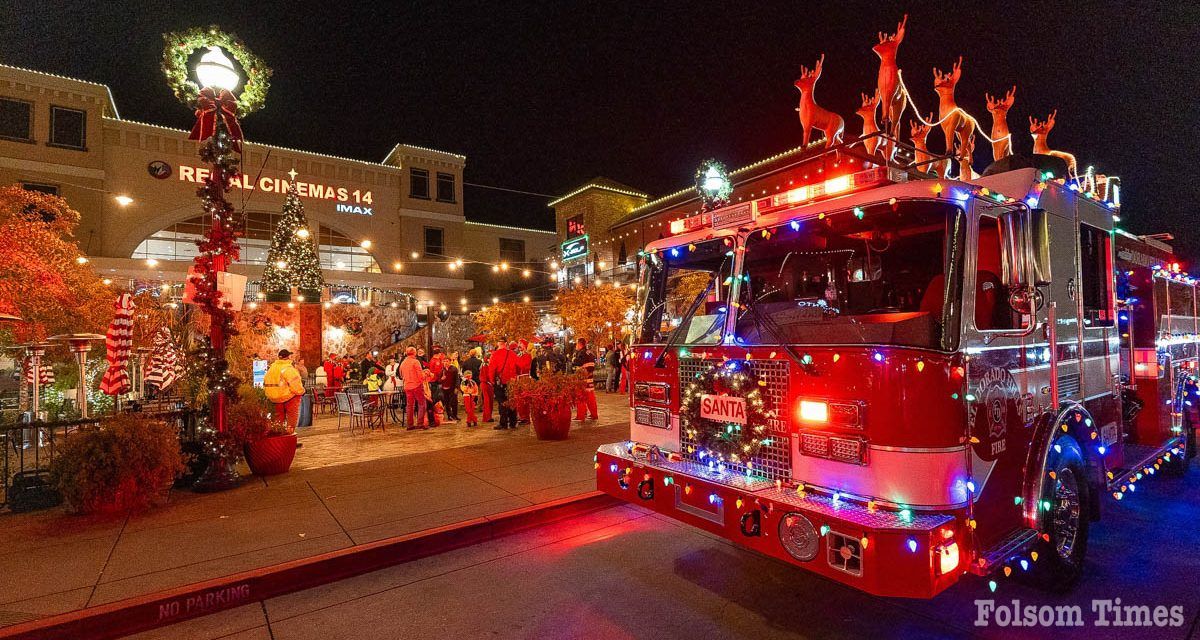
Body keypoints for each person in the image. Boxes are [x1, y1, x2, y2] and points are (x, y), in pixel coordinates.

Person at [263, 349, 306, 431]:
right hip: (288, 397)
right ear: (288, 357)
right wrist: (302, 391)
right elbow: (295, 384)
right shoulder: (288, 368)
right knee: (291, 418)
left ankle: (280, 436)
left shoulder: (272, 368)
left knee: (279, 420)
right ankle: (290, 437)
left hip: (274, 398)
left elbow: (265, 381)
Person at [489, 340, 519, 429]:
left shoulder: (495, 354)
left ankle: (503, 423)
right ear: (506, 344)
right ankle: (513, 421)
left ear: (498, 344)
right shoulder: (512, 354)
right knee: (512, 401)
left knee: (502, 402)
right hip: (512, 381)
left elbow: (492, 369)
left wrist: (492, 380)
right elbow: (518, 366)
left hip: (501, 381)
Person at [400, 347, 427, 429]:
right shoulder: (415, 362)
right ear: (414, 353)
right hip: (416, 385)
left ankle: (410, 424)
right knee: (422, 404)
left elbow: (401, 375)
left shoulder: (403, 363)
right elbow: (420, 375)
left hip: (407, 386)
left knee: (410, 405)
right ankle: (420, 423)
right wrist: (426, 375)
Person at [572, 338, 598, 421]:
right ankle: (594, 414)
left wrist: (573, 359)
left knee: (580, 397)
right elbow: (593, 364)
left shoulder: (581, 353)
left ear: (580, 344)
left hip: (582, 377)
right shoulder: (590, 352)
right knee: (590, 397)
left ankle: (581, 415)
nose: (576, 346)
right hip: (590, 377)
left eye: (577, 344)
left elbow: (577, 362)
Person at [515, 340, 532, 424]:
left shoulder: (527, 355)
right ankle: (521, 416)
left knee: (524, 398)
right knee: (519, 398)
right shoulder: (519, 355)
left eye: (520, 344)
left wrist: (516, 360)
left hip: (524, 377)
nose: (519, 346)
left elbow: (524, 366)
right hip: (519, 378)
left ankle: (525, 417)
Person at [441, 352, 460, 421]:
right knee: (447, 403)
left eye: (447, 361)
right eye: (444, 361)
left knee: (454, 402)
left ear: (450, 362)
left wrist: (456, 387)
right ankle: (449, 415)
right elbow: (439, 380)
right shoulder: (442, 370)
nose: (445, 363)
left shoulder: (454, 369)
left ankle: (455, 415)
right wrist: (441, 379)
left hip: (452, 388)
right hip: (444, 388)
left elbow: (457, 379)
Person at [479, 359, 494, 423]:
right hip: (487, 384)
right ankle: (487, 417)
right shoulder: (485, 366)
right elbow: (487, 376)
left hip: (486, 384)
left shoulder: (484, 366)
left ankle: (487, 416)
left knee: (488, 401)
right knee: (487, 401)